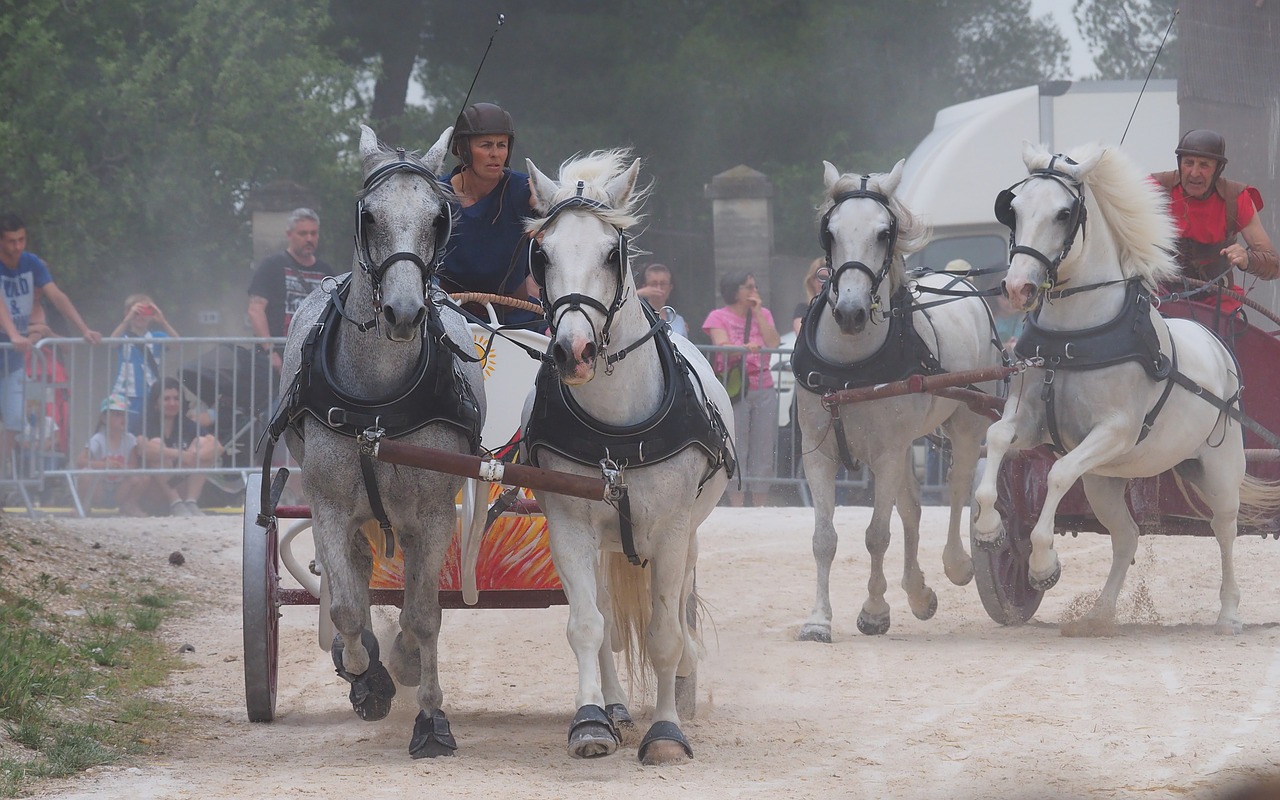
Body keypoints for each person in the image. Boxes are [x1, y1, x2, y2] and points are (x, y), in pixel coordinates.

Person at [0, 213, 103, 478]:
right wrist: (13, 333)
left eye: (22, 239)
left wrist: (84, 329)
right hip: (9, 343)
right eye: (11, 241)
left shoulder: (32, 263)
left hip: (13, 360)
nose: (18, 246)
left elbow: (57, 296)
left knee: (14, 421)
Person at [1151, 130, 1279, 317]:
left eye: (1204, 165)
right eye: (1188, 163)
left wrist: (1247, 259)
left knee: (1237, 340)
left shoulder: (1236, 199)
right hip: (1159, 295)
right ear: (1180, 163)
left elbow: (1274, 266)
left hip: (1216, 302)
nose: (1194, 173)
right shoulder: (1154, 189)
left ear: (1218, 168)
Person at [438, 102, 540, 325]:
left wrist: (546, 208)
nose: (495, 154)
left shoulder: (525, 190)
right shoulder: (437, 196)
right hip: (446, 318)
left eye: (501, 145)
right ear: (463, 149)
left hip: (515, 319)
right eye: (485, 145)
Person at [703, 270, 781, 508]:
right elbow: (721, 345)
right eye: (749, 287)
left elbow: (774, 342)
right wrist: (744, 347)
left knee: (764, 447)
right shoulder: (718, 317)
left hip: (763, 384)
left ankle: (759, 504)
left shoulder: (763, 313)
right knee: (737, 445)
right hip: (735, 388)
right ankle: (737, 503)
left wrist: (758, 312)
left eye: (755, 287)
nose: (754, 291)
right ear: (734, 290)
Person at [247, 208, 334, 373]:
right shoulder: (271, 266)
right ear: (289, 235)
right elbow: (255, 310)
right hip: (276, 358)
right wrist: (270, 351)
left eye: (313, 233)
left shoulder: (326, 272)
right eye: (303, 233)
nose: (309, 239)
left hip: (314, 358)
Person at [138, 377, 224, 517]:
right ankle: (175, 503)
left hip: (178, 482)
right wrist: (180, 454)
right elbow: (143, 449)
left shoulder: (187, 424)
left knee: (202, 443)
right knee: (156, 445)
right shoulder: (146, 423)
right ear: (155, 403)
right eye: (166, 399)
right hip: (155, 491)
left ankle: (190, 502)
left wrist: (195, 456)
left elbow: (218, 447)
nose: (172, 403)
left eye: (176, 398)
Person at [109, 293, 179, 435]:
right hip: (124, 394)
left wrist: (163, 321)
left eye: (145, 312)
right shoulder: (124, 336)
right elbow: (112, 343)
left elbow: (177, 344)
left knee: (148, 433)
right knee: (123, 433)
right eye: (136, 313)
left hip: (150, 395)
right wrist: (126, 320)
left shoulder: (157, 337)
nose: (140, 317)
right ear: (128, 313)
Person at [75, 394, 147, 516]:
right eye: (117, 415)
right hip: (99, 488)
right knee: (85, 476)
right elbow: (80, 461)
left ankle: (129, 504)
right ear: (104, 418)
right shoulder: (98, 439)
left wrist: (123, 468)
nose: (123, 418)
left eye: (125, 414)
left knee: (143, 476)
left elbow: (133, 464)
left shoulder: (130, 440)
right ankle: (84, 506)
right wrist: (103, 465)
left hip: (120, 488)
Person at [635, 263, 688, 337]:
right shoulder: (637, 317)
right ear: (645, 287)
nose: (658, 288)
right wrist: (638, 294)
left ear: (670, 288)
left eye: (663, 284)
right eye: (654, 284)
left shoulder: (679, 321)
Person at [792, 257, 826, 335]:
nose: (826, 283)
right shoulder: (803, 309)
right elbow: (803, 335)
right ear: (812, 281)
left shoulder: (841, 311)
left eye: (831, 278)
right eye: (822, 278)